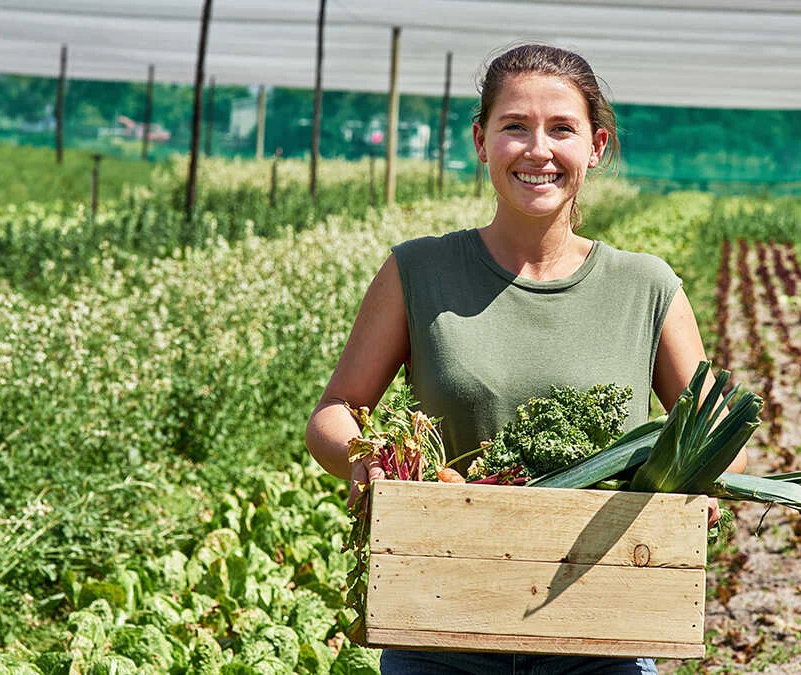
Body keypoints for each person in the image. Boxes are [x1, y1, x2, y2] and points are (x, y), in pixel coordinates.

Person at [304, 44, 745, 675]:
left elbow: (720, 432)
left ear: (595, 147)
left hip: (602, 629)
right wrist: (368, 460)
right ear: (482, 142)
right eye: (515, 126)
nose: (538, 149)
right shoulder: (417, 271)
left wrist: (694, 480)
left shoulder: (646, 287)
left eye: (561, 129)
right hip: (440, 618)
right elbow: (335, 412)